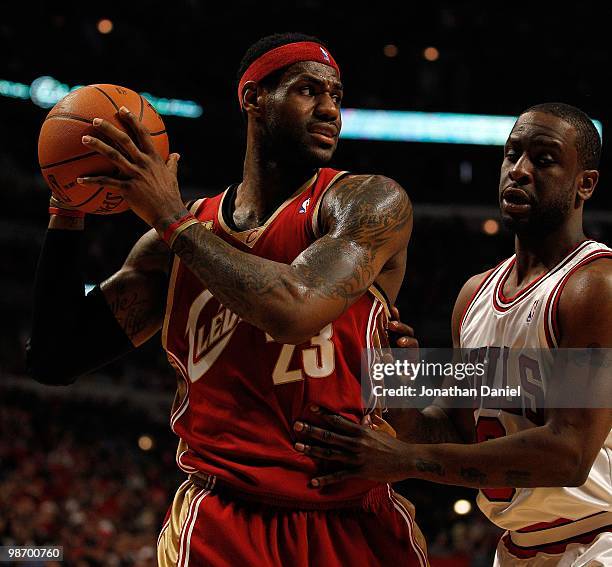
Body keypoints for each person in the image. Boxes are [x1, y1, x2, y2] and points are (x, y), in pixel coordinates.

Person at [28, 33, 429, 566]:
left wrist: (173, 221)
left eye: (336, 94)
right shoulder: (174, 245)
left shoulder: (367, 202)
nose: (330, 108)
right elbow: (55, 358)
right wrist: (67, 209)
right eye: (309, 90)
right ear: (252, 97)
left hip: (352, 514)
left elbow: (294, 310)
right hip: (225, 520)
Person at [293, 103, 612, 566]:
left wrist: (402, 459)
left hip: (599, 540)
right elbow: (456, 428)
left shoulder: (595, 286)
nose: (518, 171)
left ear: (585, 184)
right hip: (517, 548)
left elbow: (570, 452)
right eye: (511, 155)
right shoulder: (473, 295)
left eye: (543, 160)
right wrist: (401, 388)